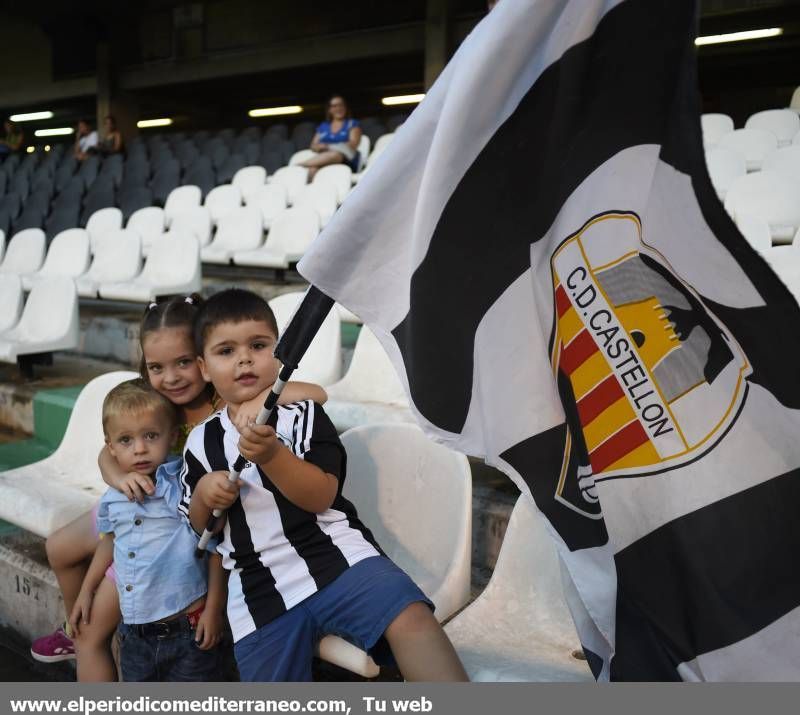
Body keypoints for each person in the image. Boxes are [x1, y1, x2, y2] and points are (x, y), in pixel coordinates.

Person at [30, 294, 328, 680]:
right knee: (59, 547)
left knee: (94, 629)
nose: (171, 377)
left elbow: (317, 394)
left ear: (204, 361)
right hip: (135, 508)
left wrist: (258, 399)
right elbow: (108, 453)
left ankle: (84, 633)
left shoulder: (225, 401)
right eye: (158, 366)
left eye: (184, 362)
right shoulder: (153, 400)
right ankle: (74, 627)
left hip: (172, 531)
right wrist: (120, 478)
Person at [182, 289, 469, 682]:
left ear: (280, 352)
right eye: (226, 351)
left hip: (333, 557)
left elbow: (320, 497)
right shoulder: (200, 441)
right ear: (203, 367)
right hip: (258, 588)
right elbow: (202, 528)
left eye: (259, 345)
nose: (245, 358)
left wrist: (273, 457)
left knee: (411, 617)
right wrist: (203, 497)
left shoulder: (301, 414)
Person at [70, 379, 223, 681]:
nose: (140, 449)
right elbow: (110, 543)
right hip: (135, 635)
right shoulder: (114, 496)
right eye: (126, 441)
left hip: (189, 631)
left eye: (151, 436)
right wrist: (86, 591)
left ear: (172, 437)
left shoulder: (185, 484)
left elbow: (216, 545)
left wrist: (214, 610)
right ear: (110, 446)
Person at [300, 95, 362, 179]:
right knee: (313, 169)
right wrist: (319, 147)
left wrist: (327, 146)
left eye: (341, 105)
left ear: (345, 107)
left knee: (335, 154)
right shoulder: (323, 126)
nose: (338, 108)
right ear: (329, 109)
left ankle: (299, 166)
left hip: (345, 160)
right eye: (334, 106)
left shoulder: (352, 124)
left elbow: (353, 144)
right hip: (325, 159)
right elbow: (313, 146)